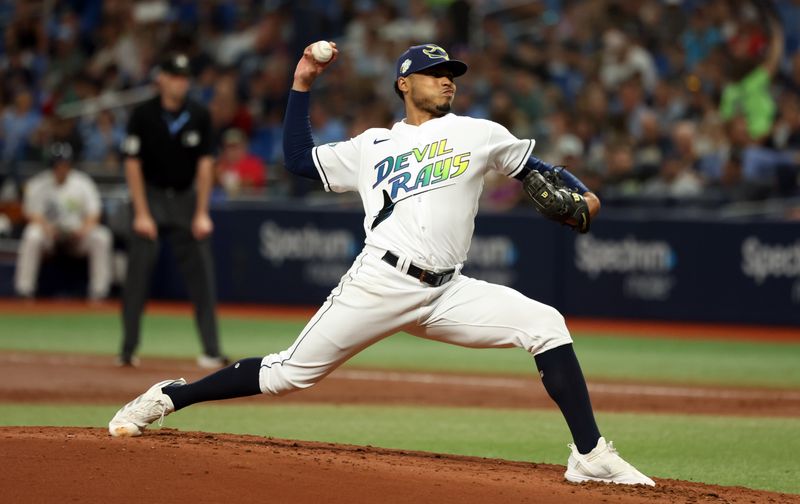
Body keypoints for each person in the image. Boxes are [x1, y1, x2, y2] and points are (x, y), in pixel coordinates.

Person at [109, 43, 655, 487]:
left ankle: (589, 455)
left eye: (451, 74)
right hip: (381, 280)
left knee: (546, 324)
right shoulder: (373, 145)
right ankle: (168, 396)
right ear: (404, 83)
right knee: (287, 375)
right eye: (434, 73)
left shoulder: (479, 133)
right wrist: (301, 82)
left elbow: (540, 168)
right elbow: (299, 161)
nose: (447, 81)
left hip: (447, 291)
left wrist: (586, 195)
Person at [118, 53, 228, 369]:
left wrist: (202, 212)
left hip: (185, 199)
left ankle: (211, 349)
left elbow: (206, 165)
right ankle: (127, 349)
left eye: (184, 76)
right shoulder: (143, 114)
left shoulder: (199, 114)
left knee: (202, 278)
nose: (180, 81)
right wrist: (141, 212)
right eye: (174, 75)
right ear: (161, 78)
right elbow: (132, 164)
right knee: (137, 276)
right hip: (150, 197)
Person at [14, 141, 112, 300]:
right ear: (51, 165)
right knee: (32, 235)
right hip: (50, 235)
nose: (62, 167)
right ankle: (24, 290)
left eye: (65, 163)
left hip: (77, 234)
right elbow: (32, 214)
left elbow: (94, 213)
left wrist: (83, 230)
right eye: (58, 163)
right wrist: (47, 228)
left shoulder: (82, 182)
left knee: (101, 236)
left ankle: (99, 292)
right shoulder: (39, 183)